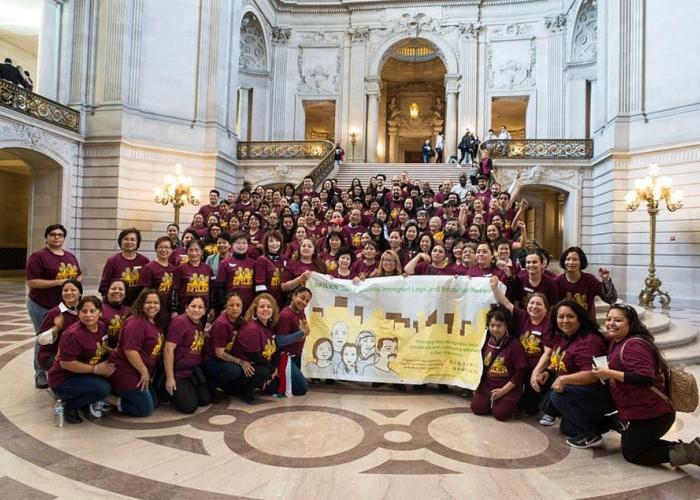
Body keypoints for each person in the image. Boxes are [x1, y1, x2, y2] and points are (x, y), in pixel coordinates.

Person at [593, 304, 700, 467]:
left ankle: (689, 454)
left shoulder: (633, 345)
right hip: (640, 412)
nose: (611, 323)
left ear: (630, 323)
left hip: (654, 414)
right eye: (608, 319)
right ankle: (693, 450)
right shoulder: (618, 341)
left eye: (617, 320)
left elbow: (645, 378)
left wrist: (609, 374)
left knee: (632, 453)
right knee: (632, 444)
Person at [533, 299, 616, 448]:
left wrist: (563, 379)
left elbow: (593, 374)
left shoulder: (589, 341)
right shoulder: (563, 335)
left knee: (558, 394)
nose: (565, 320)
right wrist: (547, 371)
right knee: (568, 429)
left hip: (595, 394)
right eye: (561, 316)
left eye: (570, 316)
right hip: (579, 392)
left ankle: (591, 435)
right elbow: (560, 358)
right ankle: (611, 422)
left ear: (579, 318)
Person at [26, 224, 82, 388]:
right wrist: (60, 282)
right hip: (42, 304)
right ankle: (40, 373)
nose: (56, 237)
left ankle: (59, 369)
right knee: (44, 338)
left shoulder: (70, 257)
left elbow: (79, 274)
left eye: (60, 235)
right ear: (47, 237)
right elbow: (32, 281)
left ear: (64, 238)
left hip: (65, 305)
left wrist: (75, 283)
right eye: (53, 234)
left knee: (64, 336)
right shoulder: (38, 257)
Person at [47, 296, 114, 424]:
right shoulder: (72, 334)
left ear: (100, 313)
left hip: (83, 374)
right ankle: (70, 405)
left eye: (92, 311)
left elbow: (100, 345)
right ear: (78, 313)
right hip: (64, 379)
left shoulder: (102, 326)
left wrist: (114, 352)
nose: (88, 315)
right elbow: (66, 363)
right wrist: (95, 369)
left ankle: (86, 398)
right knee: (103, 388)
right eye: (84, 311)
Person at [490, 276, 551, 415]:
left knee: (530, 409)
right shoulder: (523, 316)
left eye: (538, 304)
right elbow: (505, 303)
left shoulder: (548, 324)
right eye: (531, 303)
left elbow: (547, 354)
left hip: (537, 368)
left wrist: (535, 373)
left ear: (546, 309)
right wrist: (494, 288)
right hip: (518, 365)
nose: (534, 306)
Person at [107, 289, 164, 417]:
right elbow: (130, 351)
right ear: (141, 303)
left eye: (156, 303)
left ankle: (122, 394)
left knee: (153, 402)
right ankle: (107, 399)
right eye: (148, 302)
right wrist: (144, 371)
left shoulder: (154, 321)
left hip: (137, 370)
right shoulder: (136, 322)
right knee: (145, 409)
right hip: (125, 370)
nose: (152, 306)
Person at [471, 305, 528, 421]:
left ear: (506, 326)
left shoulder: (514, 344)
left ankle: (510, 403)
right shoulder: (485, 341)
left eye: (499, 325)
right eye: (492, 325)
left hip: (507, 386)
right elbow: (479, 364)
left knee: (501, 414)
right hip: (488, 384)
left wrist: (503, 391)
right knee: (477, 408)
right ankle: (492, 402)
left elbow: (521, 371)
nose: (495, 329)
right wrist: (475, 383)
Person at [163, 296, 211, 414]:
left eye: (200, 307)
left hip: (193, 371)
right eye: (193, 306)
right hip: (178, 371)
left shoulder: (199, 322)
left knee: (204, 400)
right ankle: (166, 392)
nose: (196, 310)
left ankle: (186, 390)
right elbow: (168, 350)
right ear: (186, 308)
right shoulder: (179, 322)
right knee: (189, 407)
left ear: (205, 311)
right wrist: (170, 378)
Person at [230, 294, 281, 403]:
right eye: (262, 306)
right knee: (264, 373)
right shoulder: (252, 328)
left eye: (269, 306)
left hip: (259, 365)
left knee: (273, 388)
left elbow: (276, 348)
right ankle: (241, 391)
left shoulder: (267, 326)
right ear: (255, 310)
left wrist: (275, 368)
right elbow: (255, 355)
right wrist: (272, 369)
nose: (266, 309)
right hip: (245, 369)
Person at [35, 279, 83, 387]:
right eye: (65, 290)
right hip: (52, 355)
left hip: (75, 353)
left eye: (73, 290)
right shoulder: (54, 313)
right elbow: (41, 340)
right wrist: (56, 328)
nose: (69, 293)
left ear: (80, 293)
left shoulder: (84, 311)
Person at [202, 292, 250, 396]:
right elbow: (219, 353)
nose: (235, 308)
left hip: (224, 357)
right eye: (231, 305)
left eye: (238, 305)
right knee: (235, 370)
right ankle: (211, 386)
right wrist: (241, 362)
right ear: (226, 307)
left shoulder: (239, 320)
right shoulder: (222, 324)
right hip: (211, 360)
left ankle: (228, 386)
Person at [554, 246, 616, 319]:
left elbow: (610, 299)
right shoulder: (557, 282)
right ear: (564, 262)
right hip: (565, 323)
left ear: (581, 262)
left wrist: (606, 280)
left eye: (575, 259)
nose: (571, 262)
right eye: (568, 259)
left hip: (587, 325)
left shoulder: (590, 280)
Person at [99, 228, 150, 306]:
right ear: (121, 241)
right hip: (117, 303)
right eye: (126, 239)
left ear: (137, 242)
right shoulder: (112, 261)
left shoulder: (144, 261)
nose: (129, 242)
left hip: (137, 304)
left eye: (132, 239)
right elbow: (104, 284)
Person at [139, 236, 176, 329]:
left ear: (171, 250)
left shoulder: (173, 269)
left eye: (167, 247)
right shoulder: (148, 268)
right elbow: (144, 292)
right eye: (161, 247)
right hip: (153, 309)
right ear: (156, 249)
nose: (164, 250)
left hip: (167, 309)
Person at [171, 239, 213, 317]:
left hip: (202, 310)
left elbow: (212, 290)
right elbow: (174, 290)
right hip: (184, 310)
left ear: (202, 252)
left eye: (197, 250)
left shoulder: (208, 269)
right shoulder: (180, 269)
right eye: (191, 250)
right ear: (187, 252)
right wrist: (174, 309)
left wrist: (211, 307)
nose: (194, 253)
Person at [275, 286, 312, 367]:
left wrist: (304, 332)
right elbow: (280, 341)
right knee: (302, 380)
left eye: (307, 301)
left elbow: (305, 331)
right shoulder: (285, 315)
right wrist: (301, 333)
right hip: (286, 359)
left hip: (297, 357)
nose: (304, 302)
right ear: (294, 296)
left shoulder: (301, 313)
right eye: (302, 298)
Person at [101, 279, 130, 349]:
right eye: (113, 288)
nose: (117, 291)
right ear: (107, 291)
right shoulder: (98, 309)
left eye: (121, 289)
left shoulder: (129, 311)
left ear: (125, 293)